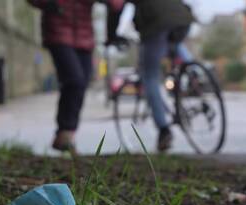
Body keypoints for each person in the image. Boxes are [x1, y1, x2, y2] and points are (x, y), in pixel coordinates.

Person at [27, 0, 124, 153]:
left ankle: (64, 134)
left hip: (84, 37)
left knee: (80, 83)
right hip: (58, 32)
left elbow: (116, 4)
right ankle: (66, 132)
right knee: (74, 80)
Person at [107, 0, 194, 151]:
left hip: (155, 23)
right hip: (182, 17)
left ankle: (163, 130)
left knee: (149, 77)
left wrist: (111, 36)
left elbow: (116, 6)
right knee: (172, 43)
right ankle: (193, 72)